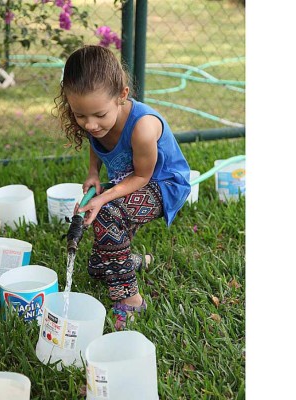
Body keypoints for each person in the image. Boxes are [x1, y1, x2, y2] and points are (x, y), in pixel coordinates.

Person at [55, 45, 191, 330]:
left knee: (106, 213)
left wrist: (104, 198)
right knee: (98, 266)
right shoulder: (96, 119)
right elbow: (98, 141)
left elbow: (142, 177)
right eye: (80, 116)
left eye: (98, 115)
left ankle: (131, 300)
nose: (90, 124)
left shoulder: (143, 127)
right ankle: (132, 260)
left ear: (122, 96)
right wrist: (94, 173)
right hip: (129, 180)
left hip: (162, 184)